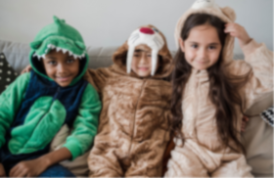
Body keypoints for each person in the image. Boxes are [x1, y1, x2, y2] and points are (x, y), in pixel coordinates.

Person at [165, 0, 273, 177]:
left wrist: (247, 42)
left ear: (223, 47)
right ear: (182, 44)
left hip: (228, 154)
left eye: (212, 47)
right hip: (189, 152)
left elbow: (270, 79)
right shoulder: (177, 76)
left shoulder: (234, 72)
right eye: (194, 45)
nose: (202, 55)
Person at [0, 16, 101, 177]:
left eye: (69, 60)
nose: (61, 70)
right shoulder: (26, 80)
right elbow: (2, 113)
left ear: (81, 59)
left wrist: (43, 162)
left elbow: (85, 133)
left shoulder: (86, 92)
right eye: (52, 62)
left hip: (41, 160)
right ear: (41, 62)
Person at [85, 25, 173, 177]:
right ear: (127, 55)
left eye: (150, 55)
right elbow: (78, 75)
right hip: (108, 148)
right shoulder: (109, 76)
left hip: (148, 155)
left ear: (161, 58)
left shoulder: (169, 87)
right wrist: (39, 71)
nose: (143, 61)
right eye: (137, 54)